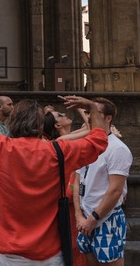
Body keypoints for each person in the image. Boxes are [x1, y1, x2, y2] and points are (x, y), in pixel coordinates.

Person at [0, 84, 109, 263]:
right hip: (49, 253)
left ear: (14, 122)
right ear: (40, 124)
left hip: (10, 253)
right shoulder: (59, 151)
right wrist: (93, 109)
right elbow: (99, 141)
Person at [73, 97, 132, 266]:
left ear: (108, 118)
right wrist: (78, 215)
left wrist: (92, 219)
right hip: (85, 216)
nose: (90, 116)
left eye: (94, 112)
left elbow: (115, 190)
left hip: (106, 218)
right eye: (88, 112)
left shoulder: (117, 148)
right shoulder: (86, 144)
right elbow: (77, 181)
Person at [43, 108, 90, 266]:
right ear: (56, 125)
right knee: (72, 246)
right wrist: (81, 108)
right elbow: (92, 128)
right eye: (60, 115)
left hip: (79, 201)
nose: (64, 114)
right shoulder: (59, 143)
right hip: (67, 201)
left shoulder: (71, 137)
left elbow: (90, 129)